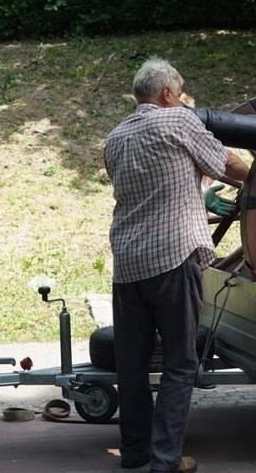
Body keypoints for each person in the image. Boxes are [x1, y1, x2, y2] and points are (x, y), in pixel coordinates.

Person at [104, 56, 247, 472]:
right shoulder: (178, 121)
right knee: (181, 363)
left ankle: (135, 454)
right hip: (171, 259)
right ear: (168, 93)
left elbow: (150, 186)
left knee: (131, 366)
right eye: (180, 92)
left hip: (128, 263)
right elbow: (228, 165)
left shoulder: (115, 137)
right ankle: (166, 460)